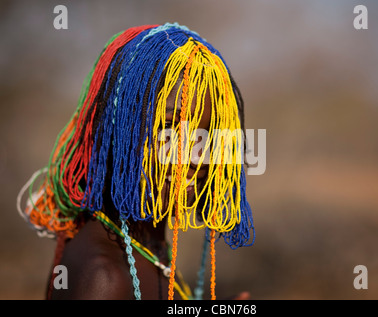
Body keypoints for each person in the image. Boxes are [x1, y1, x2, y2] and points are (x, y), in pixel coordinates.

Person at [17, 23, 255, 300]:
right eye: (168, 128)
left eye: (207, 134)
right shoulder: (105, 279)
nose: (195, 157)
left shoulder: (148, 245)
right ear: (120, 130)